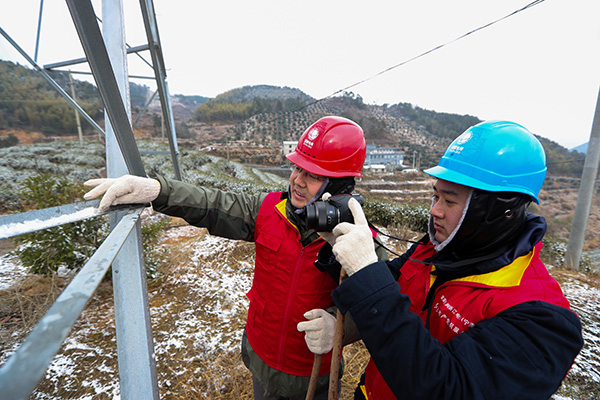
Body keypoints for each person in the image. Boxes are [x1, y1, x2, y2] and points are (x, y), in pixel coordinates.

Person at [83, 116, 388, 399]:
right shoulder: (269, 210)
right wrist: (158, 191)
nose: (297, 180)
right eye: (297, 168)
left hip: (310, 377)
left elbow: (384, 307)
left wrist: (340, 329)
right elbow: (212, 203)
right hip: (259, 358)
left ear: (339, 187)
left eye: (313, 175)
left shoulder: (359, 244)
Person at [313, 120, 584, 399]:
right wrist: (341, 253)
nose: (435, 211)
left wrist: (367, 274)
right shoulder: (436, 249)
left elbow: (447, 388)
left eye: (450, 201)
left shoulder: (542, 319)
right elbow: (384, 290)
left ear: (498, 211)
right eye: (435, 196)